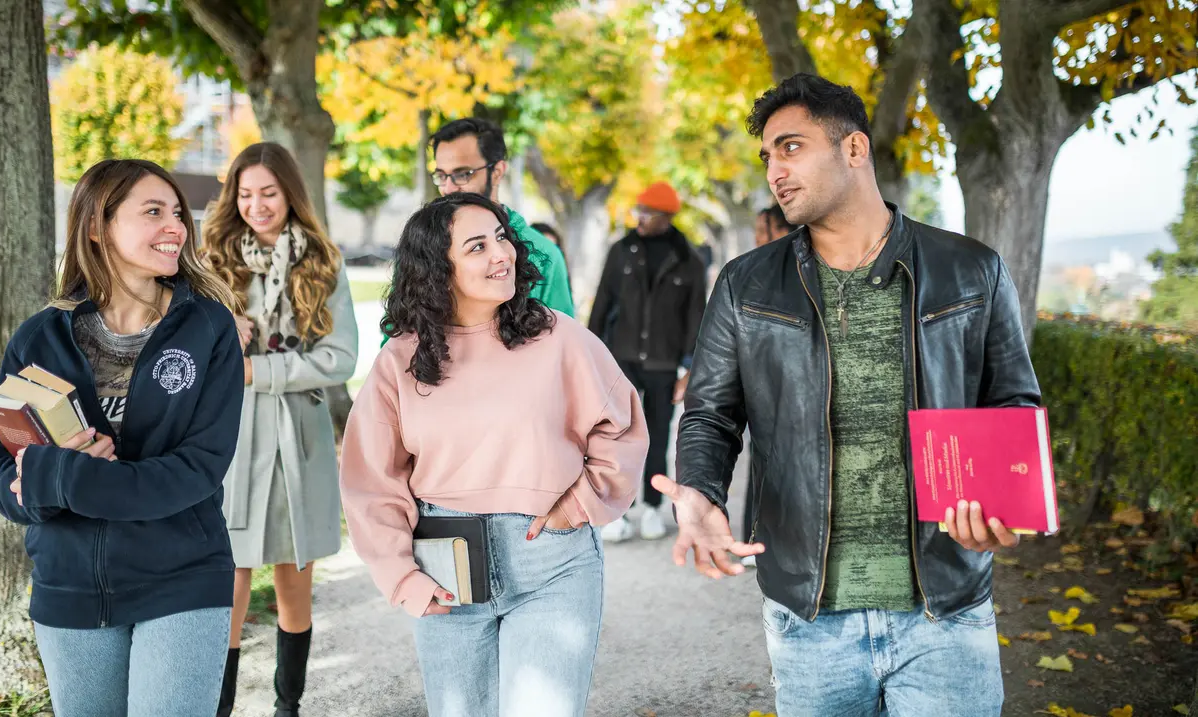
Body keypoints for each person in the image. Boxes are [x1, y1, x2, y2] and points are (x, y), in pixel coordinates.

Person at [653, 73, 1040, 717]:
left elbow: (1014, 408)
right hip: (809, 617)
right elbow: (711, 414)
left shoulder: (972, 268)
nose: (775, 169)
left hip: (944, 610)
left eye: (792, 147)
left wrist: (1005, 509)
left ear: (854, 150)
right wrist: (699, 491)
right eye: (769, 155)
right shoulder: (745, 283)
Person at [339, 192, 648, 717]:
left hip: (552, 565)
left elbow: (621, 425)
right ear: (439, 268)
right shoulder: (400, 361)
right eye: (477, 246)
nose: (500, 253)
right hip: (445, 568)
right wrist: (401, 576)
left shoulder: (558, 338)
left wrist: (580, 504)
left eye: (501, 238)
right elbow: (371, 480)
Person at [0, 159, 244, 717]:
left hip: (182, 577)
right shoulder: (40, 336)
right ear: (97, 226)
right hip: (68, 587)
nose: (176, 226)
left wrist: (65, 476)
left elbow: (198, 468)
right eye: (153, 212)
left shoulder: (208, 329)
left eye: (177, 213)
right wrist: (38, 487)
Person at [201, 142, 359, 717]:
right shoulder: (213, 260)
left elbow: (340, 357)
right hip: (232, 435)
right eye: (245, 194)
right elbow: (181, 340)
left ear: (290, 192)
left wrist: (260, 370)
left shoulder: (323, 262)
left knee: (295, 577)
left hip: (299, 433)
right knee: (230, 576)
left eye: (268, 192)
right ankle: (216, 708)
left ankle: (287, 707)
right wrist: (223, 328)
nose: (256, 205)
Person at [587, 181, 707, 543]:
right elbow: (602, 303)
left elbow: (696, 317)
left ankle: (653, 508)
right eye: (638, 210)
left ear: (667, 216)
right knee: (618, 437)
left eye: (647, 212)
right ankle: (619, 512)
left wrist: (689, 367)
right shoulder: (621, 251)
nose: (639, 217)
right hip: (621, 360)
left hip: (663, 363)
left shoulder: (689, 259)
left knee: (656, 437)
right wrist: (591, 354)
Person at [429, 118, 574, 315]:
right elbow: (398, 337)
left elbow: (560, 339)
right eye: (441, 175)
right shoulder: (424, 244)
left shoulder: (545, 255)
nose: (448, 187)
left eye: (462, 174)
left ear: (497, 172)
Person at [737, 202, 798, 567]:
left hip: (786, 383)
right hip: (762, 382)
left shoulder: (791, 272)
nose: (759, 238)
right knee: (761, 459)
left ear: (779, 229)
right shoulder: (754, 273)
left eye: (764, 229)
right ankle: (753, 537)